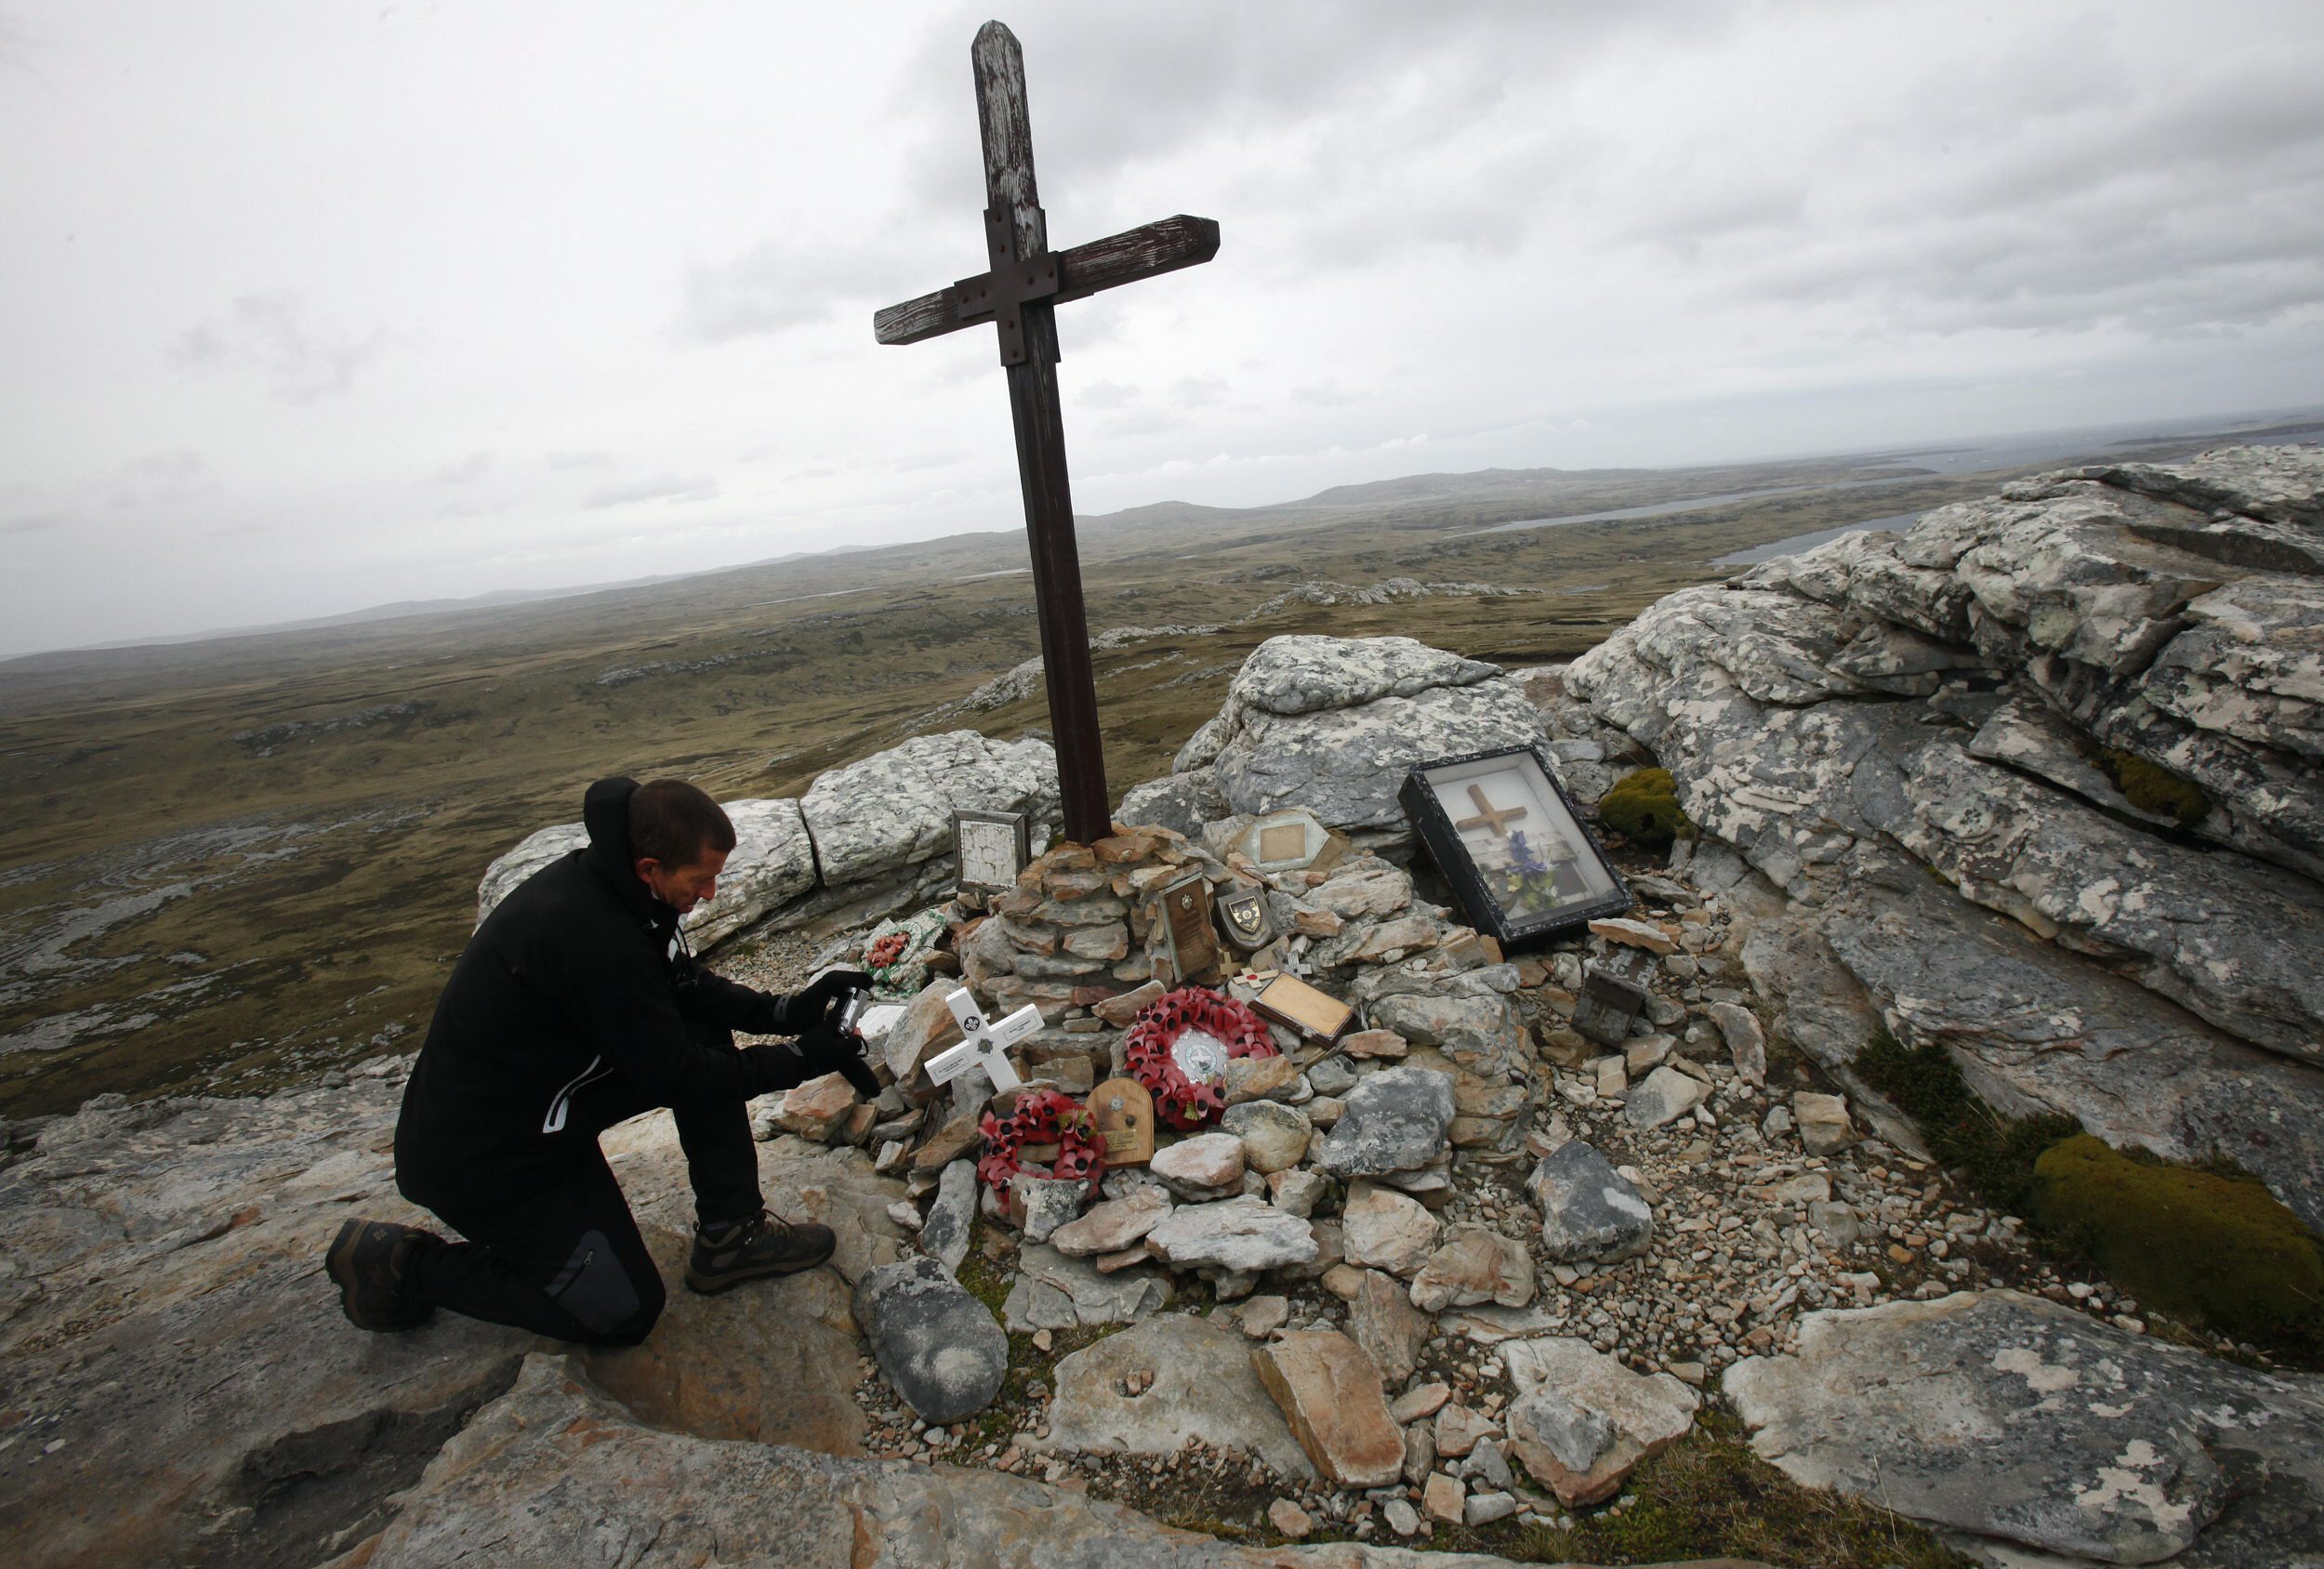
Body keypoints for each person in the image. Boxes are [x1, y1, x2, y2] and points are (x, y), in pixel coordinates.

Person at [324, 775, 874, 1344]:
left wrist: (788, 1011)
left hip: (546, 1107)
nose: (710, 892)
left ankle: (730, 1235)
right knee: (623, 1312)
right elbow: (679, 1078)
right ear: (650, 868)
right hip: (488, 1158)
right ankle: (402, 1265)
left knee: (699, 1027)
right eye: (701, 879)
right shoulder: (593, 938)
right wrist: (803, 1058)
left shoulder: (621, 893)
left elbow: (684, 989)